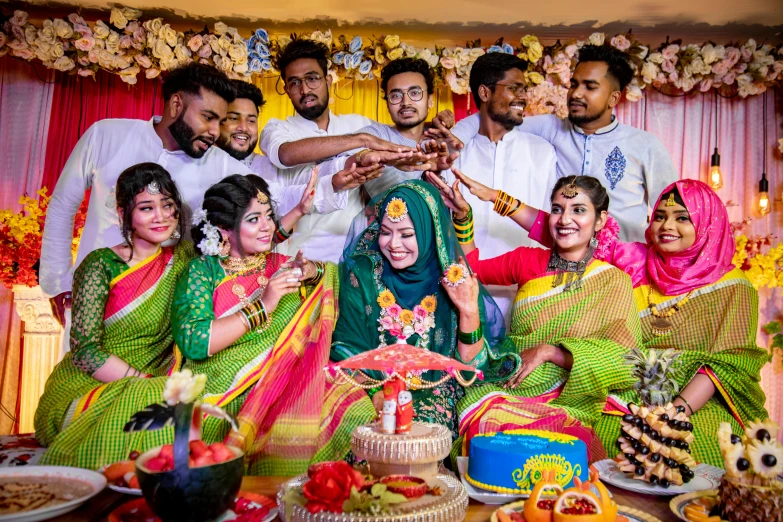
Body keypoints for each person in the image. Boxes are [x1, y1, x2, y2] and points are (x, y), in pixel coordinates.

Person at [457, 173, 770, 467]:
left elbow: (729, 363)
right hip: (626, 382)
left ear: (707, 224)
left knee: (691, 446)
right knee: (607, 438)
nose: (666, 226)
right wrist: (489, 202)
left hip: (691, 393)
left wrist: (673, 414)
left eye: (682, 217)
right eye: (660, 216)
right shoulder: (636, 262)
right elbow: (567, 236)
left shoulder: (732, 287)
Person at [41, 62, 351, 352]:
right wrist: (57, 282)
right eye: (208, 117)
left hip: (165, 313)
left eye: (220, 120)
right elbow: (62, 206)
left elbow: (278, 197)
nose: (216, 131)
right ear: (176, 105)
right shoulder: (107, 135)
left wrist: (334, 183)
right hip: (95, 298)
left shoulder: (220, 164)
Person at [430, 173, 640, 460]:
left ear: (601, 220)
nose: (564, 219)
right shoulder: (527, 261)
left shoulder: (614, 280)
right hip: (518, 380)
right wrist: (463, 217)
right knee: (478, 406)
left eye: (578, 210)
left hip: (576, 388)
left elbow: (627, 360)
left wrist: (550, 352)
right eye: (557, 209)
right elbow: (470, 271)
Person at [172, 175, 374, 475]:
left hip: (289, 373)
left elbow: (331, 279)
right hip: (230, 385)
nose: (267, 226)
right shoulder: (203, 271)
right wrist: (264, 306)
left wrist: (311, 270)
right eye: (254, 219)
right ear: (224, 229)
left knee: (354, 406)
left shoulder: (277, 263)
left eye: (269, 216)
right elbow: (194, 340)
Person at [331, 180, 520, 439]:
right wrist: (377, 395)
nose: (394, 244)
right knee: (356, 429)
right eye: (386, 232)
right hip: (368, 386)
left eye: (407, 234)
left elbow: (472, 367)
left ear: (430, 232)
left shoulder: (454, 279)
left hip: (433, 389)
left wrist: (468, 313)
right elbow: (345, 346)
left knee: (418, 435)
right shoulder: (363, 273)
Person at [34, 163, 194, 468]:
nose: (161, 216)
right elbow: (85, 352)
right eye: (147, 208)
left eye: (168, 205)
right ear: (123, 214)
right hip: (88, 386)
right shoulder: (100, 265)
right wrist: (143, 384)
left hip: (155, 383)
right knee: (163, 419)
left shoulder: (184, 259)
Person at [437, 44, 678, 243]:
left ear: (613, 98)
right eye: (574, 84)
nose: (576, 93)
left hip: (626, 270)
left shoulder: (645, 146)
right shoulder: (552, 129)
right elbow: (492, 119)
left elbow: (674, 213)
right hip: (566, 269)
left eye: (590, 87)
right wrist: (457, 133)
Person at [259, 39, 423, 262]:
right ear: (287, 90)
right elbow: (285, 155)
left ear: (328, 81)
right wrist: (361, 140)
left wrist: (434, 125)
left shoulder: (356, 122)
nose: (305, 89)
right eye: (295, 83)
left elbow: (399, 133)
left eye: (312, 78)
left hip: (356, 257)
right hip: (300, 259)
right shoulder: (278, 128)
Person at [443, 52, 559, 322]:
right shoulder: (453, 154)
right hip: (460, 293)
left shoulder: (542, 152)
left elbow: (550, 226)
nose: (523, 97)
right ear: (484, 92)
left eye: (524, 89)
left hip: (527, 296)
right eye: (514, 88)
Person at [217, 79, 384, 244]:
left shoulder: (267, 166)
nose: (244, 127)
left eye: (251, 120)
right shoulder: (201, 164)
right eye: (233, 118)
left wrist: (350, 166)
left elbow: (304, 179)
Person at [322, 58, 457, 200]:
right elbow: (326, 163)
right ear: (387, 104)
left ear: (430, 100)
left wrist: (436, 173)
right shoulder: (375, 136)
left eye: (415, 93)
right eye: (396, 96)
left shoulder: (442, 142)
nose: (405, 102)